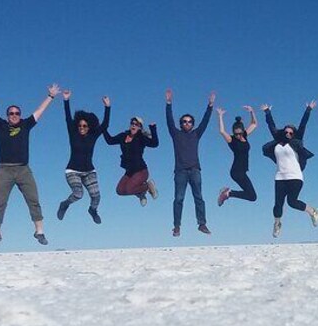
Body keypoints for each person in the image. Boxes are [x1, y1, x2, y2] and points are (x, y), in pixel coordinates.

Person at [0, 75, 59, 247]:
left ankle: (39, 231)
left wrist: (51, 96)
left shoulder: (26, 125)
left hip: (24, 170)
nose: (14, 115)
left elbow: (40, 111)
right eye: (11, 113)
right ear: (7, 115)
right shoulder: (1, 125)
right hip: (4, 170)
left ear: (20, 115)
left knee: (33, 199)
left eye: (17, 113)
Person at [261, 101, 318, 238]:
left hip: (295, 176)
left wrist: (308, 110)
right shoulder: (277, 142)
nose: (288, 133)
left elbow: (303, 125)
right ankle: (277, 224)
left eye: (291, 132)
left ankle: (313, 211)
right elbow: (271, 126)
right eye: (286, 131)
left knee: (292, 202)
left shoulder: (296, 142)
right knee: (278, 205)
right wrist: (267, 112)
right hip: (280, 177)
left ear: (293, 134)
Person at [56, 91, 111, 223]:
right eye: (80, 125)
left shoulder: (93, 135)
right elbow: (68, 118)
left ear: (89, 127)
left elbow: (105, 125)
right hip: (72, 171)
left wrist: (107, 107)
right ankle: (64, 204)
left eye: (84, 126)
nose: (81, 127)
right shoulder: (73, 133)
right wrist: (66, 100)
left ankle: (92, 210)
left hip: (89, 171)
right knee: (78, 194)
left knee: (96, 196)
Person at [166, 88, 214, 237]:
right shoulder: (176, 134)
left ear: (193, 124)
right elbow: (169, 120)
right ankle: (176, 226)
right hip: (180, 171)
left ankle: (202, 224)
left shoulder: (196, 134)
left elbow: (205, 122)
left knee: (198, 197)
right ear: (181, 124)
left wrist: (210, 106)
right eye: (184, 122)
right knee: (179, 199)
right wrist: (168, 103)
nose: (187, 123)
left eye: (190, 122)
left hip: (194, 170)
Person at [103, 112, 159, 206]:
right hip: (129, 171)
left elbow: (154, 144)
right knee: (120, 190)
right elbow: (110, 141)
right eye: (132, 123)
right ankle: (141, 193)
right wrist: (103, 129)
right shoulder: (123, 136)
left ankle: (148, 186)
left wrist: (153, 129)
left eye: (137, 125)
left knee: (129, 189)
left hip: (141, 171)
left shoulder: (141, 138)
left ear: (140, 128)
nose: (134, 125)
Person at [216, 106, 258, 206]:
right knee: (252, 196)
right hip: (236, 172)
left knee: (252, 196)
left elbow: (254, 124)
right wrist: (220, 116)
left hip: (242, 171)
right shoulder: (232, 140)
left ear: (243, 131)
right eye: (236, 134)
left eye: (240, 133)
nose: (238, 136)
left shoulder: (245, 136)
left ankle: (227, 193)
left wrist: (252, 112)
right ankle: (227, 193)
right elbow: (222, 131)